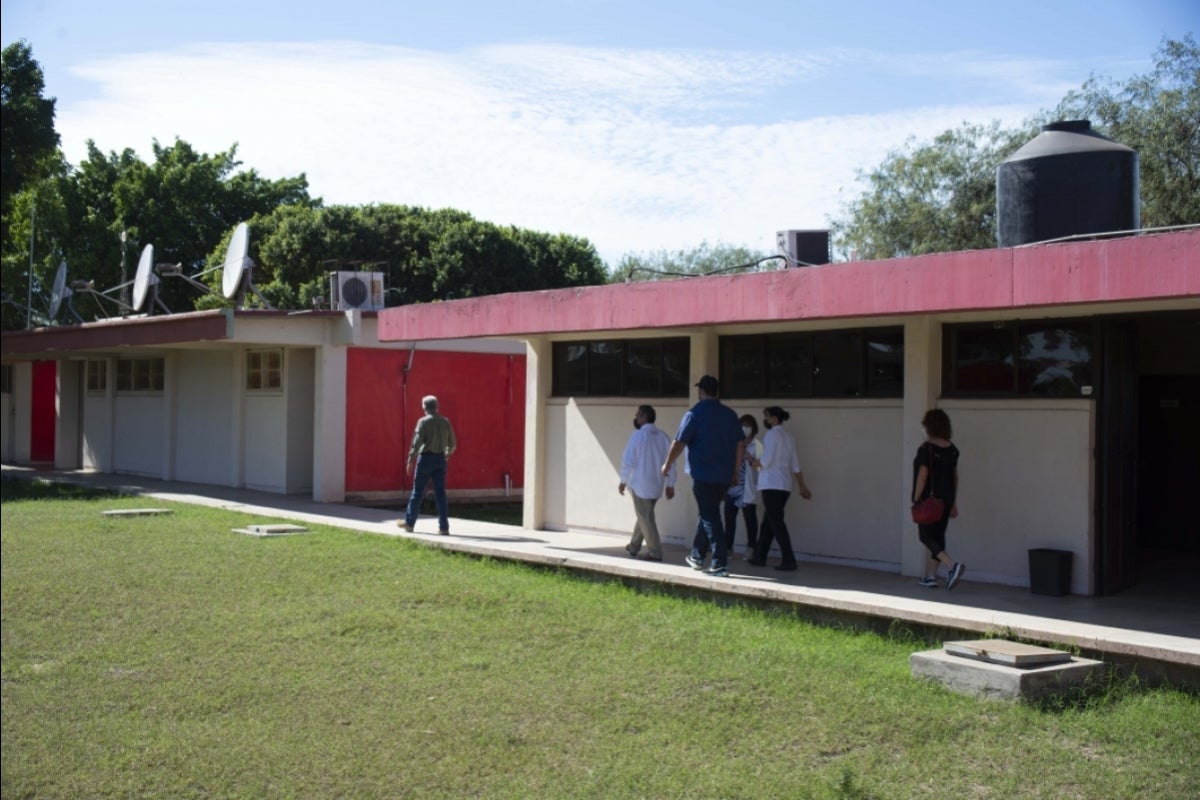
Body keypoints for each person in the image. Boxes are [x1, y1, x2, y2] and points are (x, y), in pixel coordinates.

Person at [661, 375, 745, 578]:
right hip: (724, 476)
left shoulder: (694, 413)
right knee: (709, 511)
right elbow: (740, 444)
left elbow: (679, 442)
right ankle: (697, 555)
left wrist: (668, 463)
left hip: (703, 474)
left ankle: (719, 562)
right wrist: (734, 471)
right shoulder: (730, 415)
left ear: (702, 391)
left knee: (710, 516)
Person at [747, 406, 812, 571]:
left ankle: (789, 559)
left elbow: (765, 462)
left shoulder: (771, 435)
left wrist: (751, 460)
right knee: (769, 521)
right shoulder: (789, 438)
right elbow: (795, 465)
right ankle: (760, 556)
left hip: (770, 484)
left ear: (774, 418)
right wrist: (802, 486)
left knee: (775, 522)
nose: (766, 421)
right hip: (785, 486)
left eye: (767, 417)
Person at [912, 408, 964, 589]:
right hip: (947, 499)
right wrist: (953, 502)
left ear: (929, 426)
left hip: (929, 500)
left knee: (925, 536)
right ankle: (931, 576)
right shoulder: (953, 449)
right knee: (938, 536)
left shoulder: (926, 449)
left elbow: (923, 475)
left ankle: (952, 566)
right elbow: (955, 477)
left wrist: (916, 498)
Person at [618, 405, 676, 561]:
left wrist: (623, 480)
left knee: (646, 517)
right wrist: (670, 483)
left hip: (640, 484)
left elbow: (628, 460)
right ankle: (634, 546)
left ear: (644, 417)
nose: (635, 419)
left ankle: (655, 552)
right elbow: (671, 462)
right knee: (644, 515)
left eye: (638, 415)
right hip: (656, 484)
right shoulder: (663, 437)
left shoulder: (637, 436)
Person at [399, 395, 457, 535]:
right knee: (440, 493)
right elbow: (453, 443)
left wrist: (410, 460)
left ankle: (410, 523)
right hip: (440, 459)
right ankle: (444, 527)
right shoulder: (445, 422)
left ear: (424, 407)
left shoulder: (423, 422)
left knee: (418, 492)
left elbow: (416, 443)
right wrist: (447, 454)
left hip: (425, 459)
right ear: (437, 406)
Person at [723, 414, 761, 554]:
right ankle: (728, 547)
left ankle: (752, 547)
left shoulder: (758, 445)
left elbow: (761, 467)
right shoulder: (733, 443)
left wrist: (749, 457)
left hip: (748, 487)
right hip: (732, 486)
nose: (745, 429)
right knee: (729, 518)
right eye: (742, 426)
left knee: (750, 518)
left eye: (747, 426)